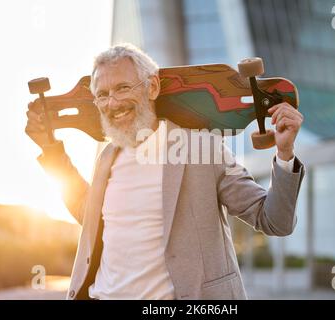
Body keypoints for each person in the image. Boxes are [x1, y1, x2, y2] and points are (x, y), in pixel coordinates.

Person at [25, 43, 305, 300]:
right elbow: (89, 217)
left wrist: (283, 154)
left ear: (152, 87)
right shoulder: (107, 157)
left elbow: (274, 220)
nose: (113, 103)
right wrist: (51, 153)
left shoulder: (203, 149)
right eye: (103, 95)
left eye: (123, 88)